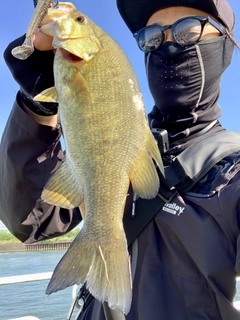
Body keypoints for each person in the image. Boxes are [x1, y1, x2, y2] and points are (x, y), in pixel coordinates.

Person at [0, 0, 240, 319]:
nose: (167, 46)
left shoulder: (234, 170)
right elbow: (32, 222)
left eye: (188, 30)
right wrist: (39, 109)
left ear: (224, 43)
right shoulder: (124, 141)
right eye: (152, 38)